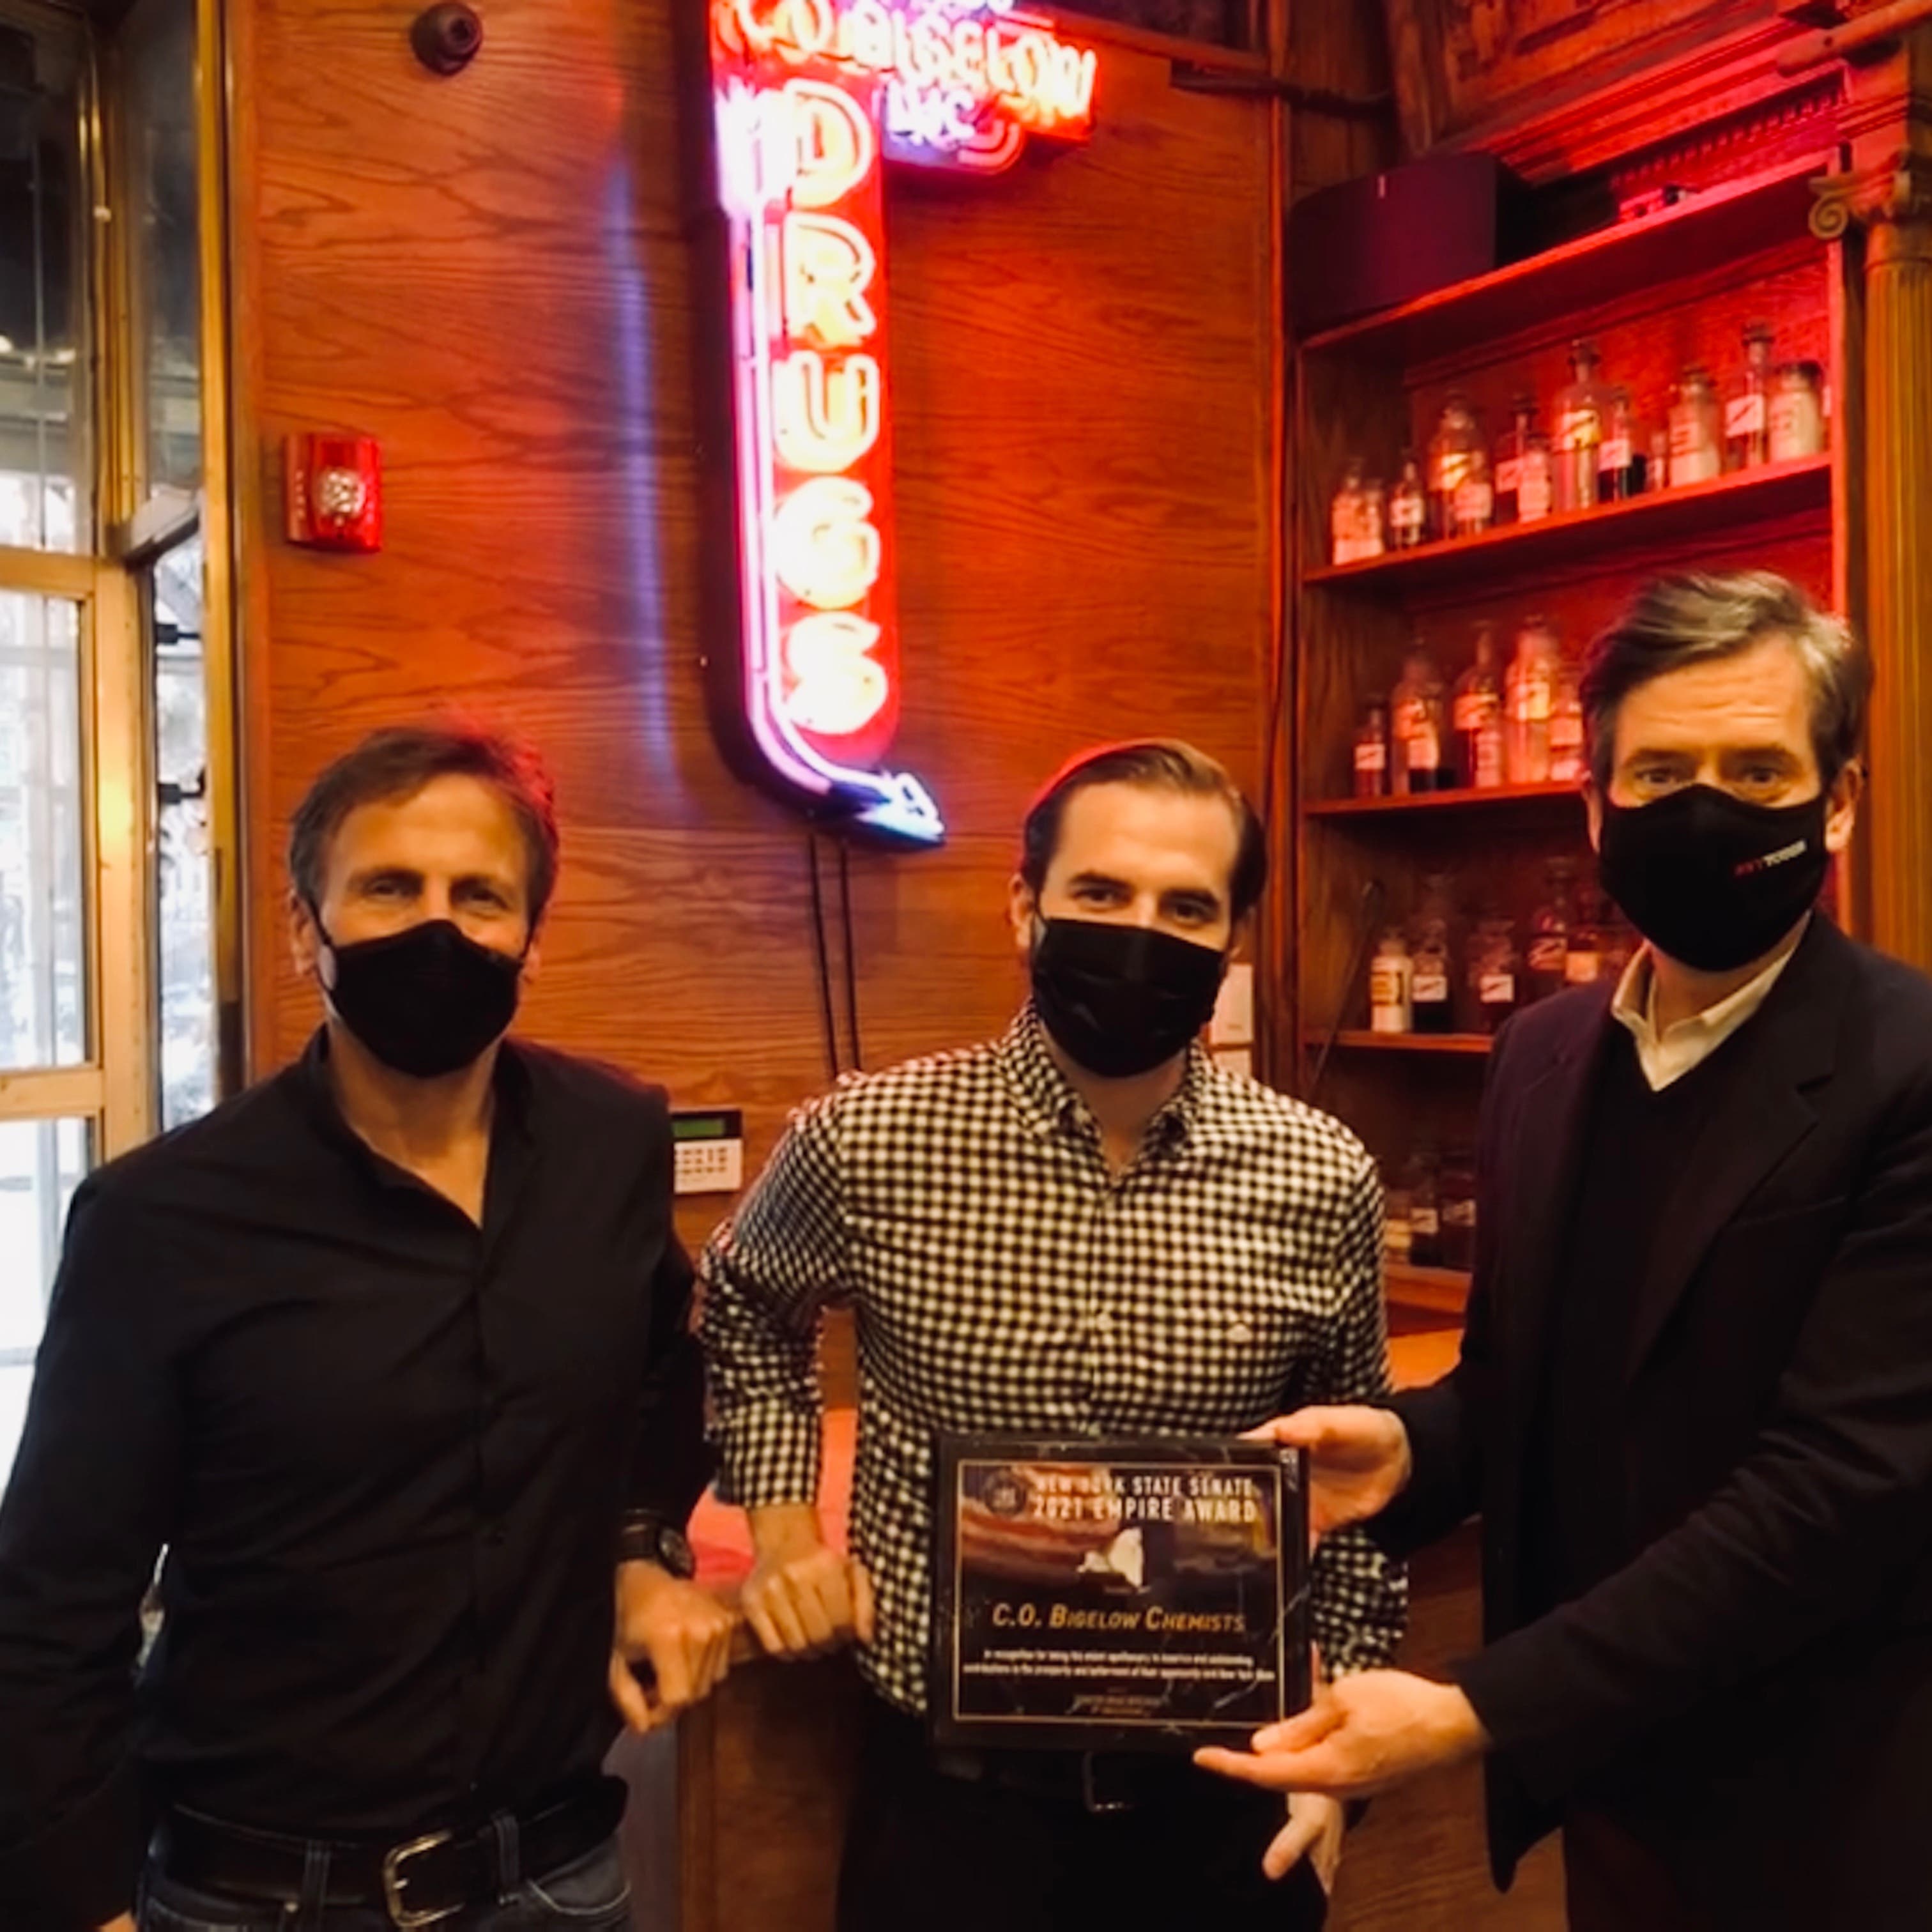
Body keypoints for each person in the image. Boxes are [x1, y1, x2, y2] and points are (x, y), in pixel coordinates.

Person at [1200, 572, 1932, 1931]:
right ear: (1594, 805)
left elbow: (1837, 1495)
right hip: (1614, 1790)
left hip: (1837, 1803)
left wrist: (1474, 1707)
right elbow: (1522, 1378)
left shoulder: (1912, 1068)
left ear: (1836, 803)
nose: (1704, 809)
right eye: (1659, 773)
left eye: (1755, 771)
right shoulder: (1539, 1055)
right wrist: (1416, 1450)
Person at [0, 724, 736, 1932]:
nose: (436, 929)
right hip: (262, 1896)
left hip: (559, 1879)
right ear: (308, 929)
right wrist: (78, 1904)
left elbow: (662, 1369)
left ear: (533, 939)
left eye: (478, 897)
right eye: (389, 888)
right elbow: (50, 1604)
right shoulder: (161, 1218)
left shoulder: (610, 1144)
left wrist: (640, 1552)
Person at [701, 740, 1406, 1932]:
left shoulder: (1319, 1172)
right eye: (1101, 893)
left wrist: (1342, 1721)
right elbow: (742, 1308)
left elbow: (1358, 1470)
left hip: (1225, 1801)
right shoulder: (868, 1138)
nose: (1140, 932)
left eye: (1186, 908)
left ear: (1232, 939)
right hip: (952, 1813)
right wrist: (780, 1534)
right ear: (1024, 907)